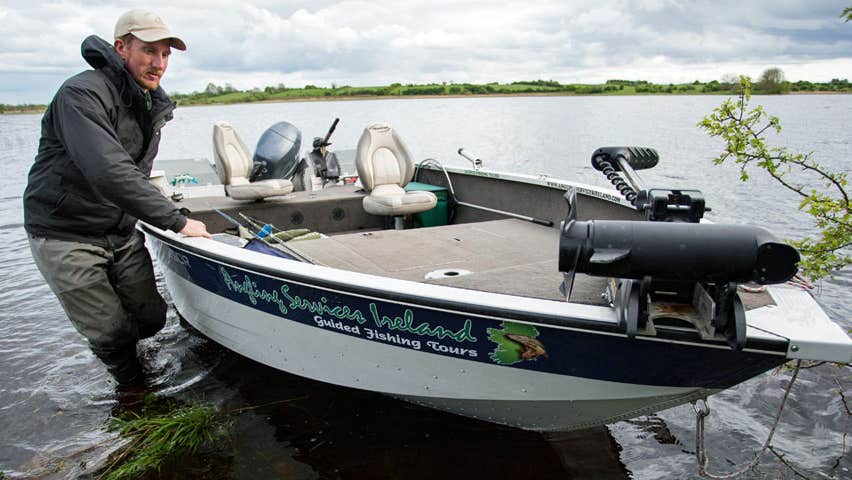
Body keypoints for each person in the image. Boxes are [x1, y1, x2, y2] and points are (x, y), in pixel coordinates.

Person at [23, 10, 211, 387]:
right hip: (65, 232)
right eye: (149, 51)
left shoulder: (149, 100)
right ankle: (133, 397)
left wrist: (162, 207)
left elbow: (135, 171)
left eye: (166, 54)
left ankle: (141, 360)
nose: (158, 63)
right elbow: (108, 170)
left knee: (151, 317)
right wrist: (176, 220)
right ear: (121, 47)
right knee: (110, 333)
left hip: (119, 228)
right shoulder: (81, 94)